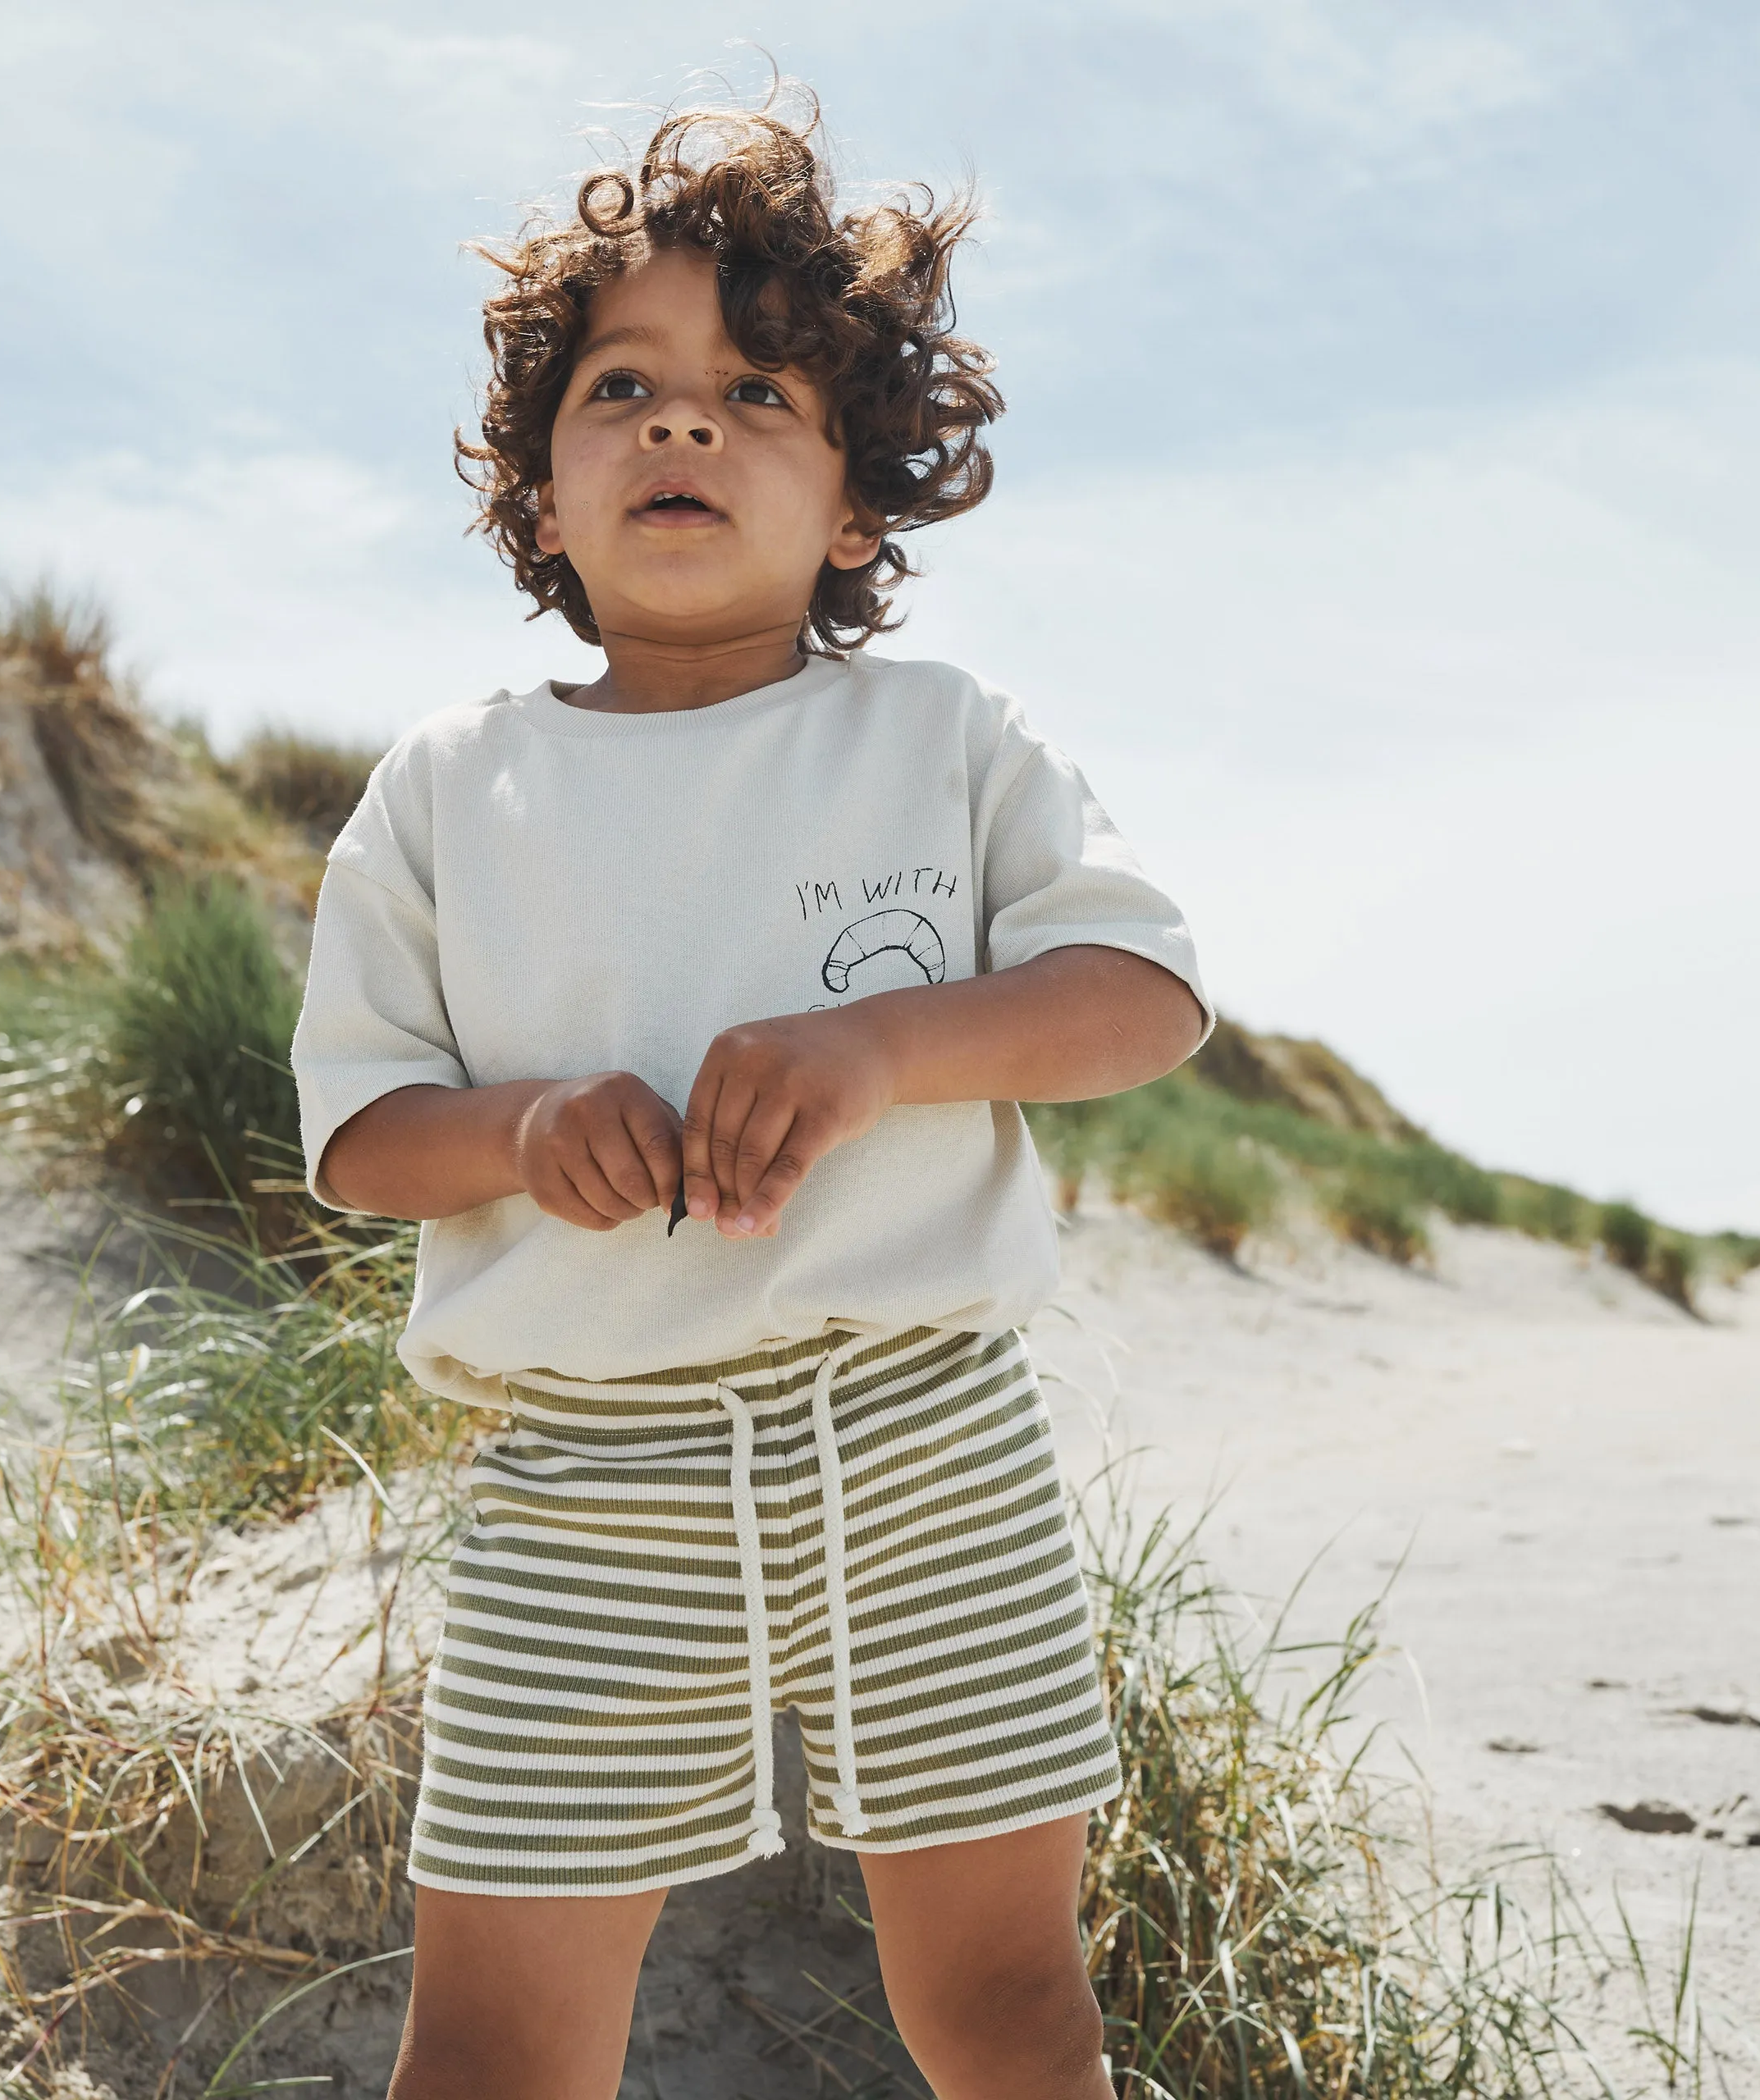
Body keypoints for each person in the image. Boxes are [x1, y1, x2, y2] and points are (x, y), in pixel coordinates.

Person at [291, 91, 1210, 2100]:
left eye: (758, 390)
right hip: (585, 1474)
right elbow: (362, 1134)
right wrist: (529, 1132)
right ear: (539, 497)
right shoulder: (450, 787)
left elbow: (1136, 996)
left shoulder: (943, 736)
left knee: (1006, 2006)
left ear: (860, 506)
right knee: (492, 2044)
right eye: (622, 387)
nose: (682, 424)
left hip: (921, 1434)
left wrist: (881, 1043)